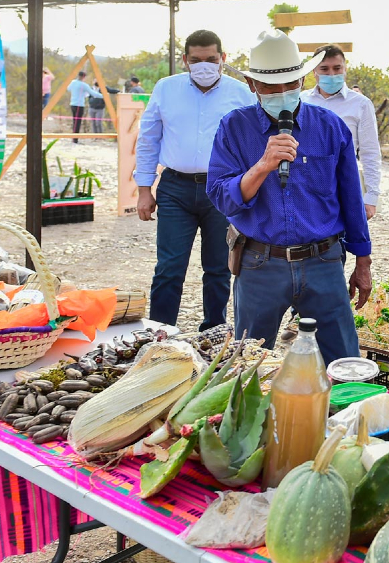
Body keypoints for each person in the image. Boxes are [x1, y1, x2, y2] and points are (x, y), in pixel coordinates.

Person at [206, 29, 372, 365]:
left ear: (302, 80)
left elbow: (351, 199)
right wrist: (262, 166)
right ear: (252, 85)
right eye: (270, 87)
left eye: (290, 84)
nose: (282, 93)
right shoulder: (233, 127)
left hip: (323, 261)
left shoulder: (330, 126)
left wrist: (363, 260)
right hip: (259, 263)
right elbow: (222, 197)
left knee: (344, 362)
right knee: (249, 365)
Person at [133, 29, 257, 331]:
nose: (204, 66)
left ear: (223, 58)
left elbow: (253, 143)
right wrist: (144, 190)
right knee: (169, 267)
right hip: (176, 188)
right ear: (185, 60)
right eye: (196, 60)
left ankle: (213, 332)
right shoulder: (166, 89)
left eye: (211, 59)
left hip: (222, 189)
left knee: (218, 268)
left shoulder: (241, 93)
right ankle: (160, 334)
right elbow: (148, 139)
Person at [300, 44, 382, 219]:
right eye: (324, 69)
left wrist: (371, 197)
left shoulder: (360, 104)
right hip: (305, 187)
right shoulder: (301, 101)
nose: (331, 74)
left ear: (345, 69)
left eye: (337, 68)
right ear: (314, 71)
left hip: (345, 184)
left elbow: (370, 152)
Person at [66, 71, 101, 143]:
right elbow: (93, 93)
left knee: (75, 121)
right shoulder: (84, 85)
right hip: (79, 105)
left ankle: (74, 138)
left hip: (72, 104)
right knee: (77, 122)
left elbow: (68, 88)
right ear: (83, 77)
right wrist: (104, 96)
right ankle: (75, 139)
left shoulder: (73, 82)